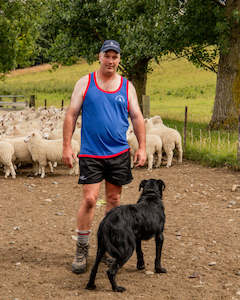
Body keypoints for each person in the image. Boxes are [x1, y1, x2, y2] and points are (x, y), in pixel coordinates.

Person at [62, 39, 146, 274]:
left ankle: (109, 248)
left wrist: (142, 147)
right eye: (107, 56)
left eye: (115, 57)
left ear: (119, 60)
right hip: (91, 152)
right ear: (99, 57)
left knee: (114, 202)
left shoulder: (127, 87)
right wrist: (66, 146)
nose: (111, 61)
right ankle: (82, 248)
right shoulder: (85, 83)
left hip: (118, 152)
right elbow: (71, 114)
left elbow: (137, 117)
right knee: (90, 199)